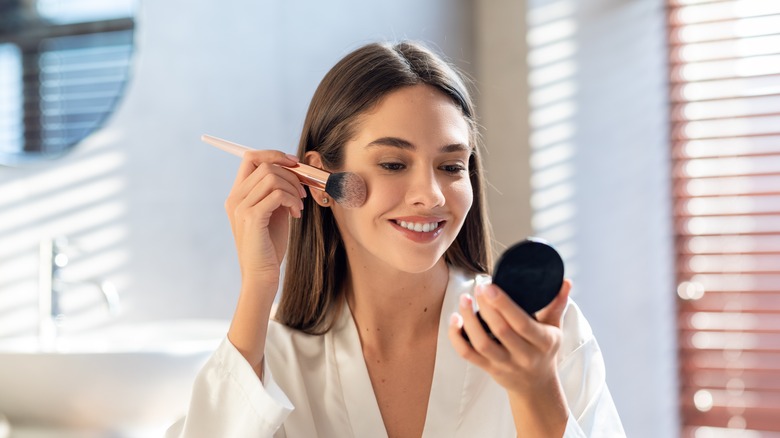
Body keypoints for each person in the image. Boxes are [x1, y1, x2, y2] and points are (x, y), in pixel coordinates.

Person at [167, 40, 625, 437]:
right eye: (393, 164)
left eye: (450, 167)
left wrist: (536, 392)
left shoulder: (541, 334)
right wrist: (259, 285)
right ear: (322, 179)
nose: (430, 195)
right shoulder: (272, 359)